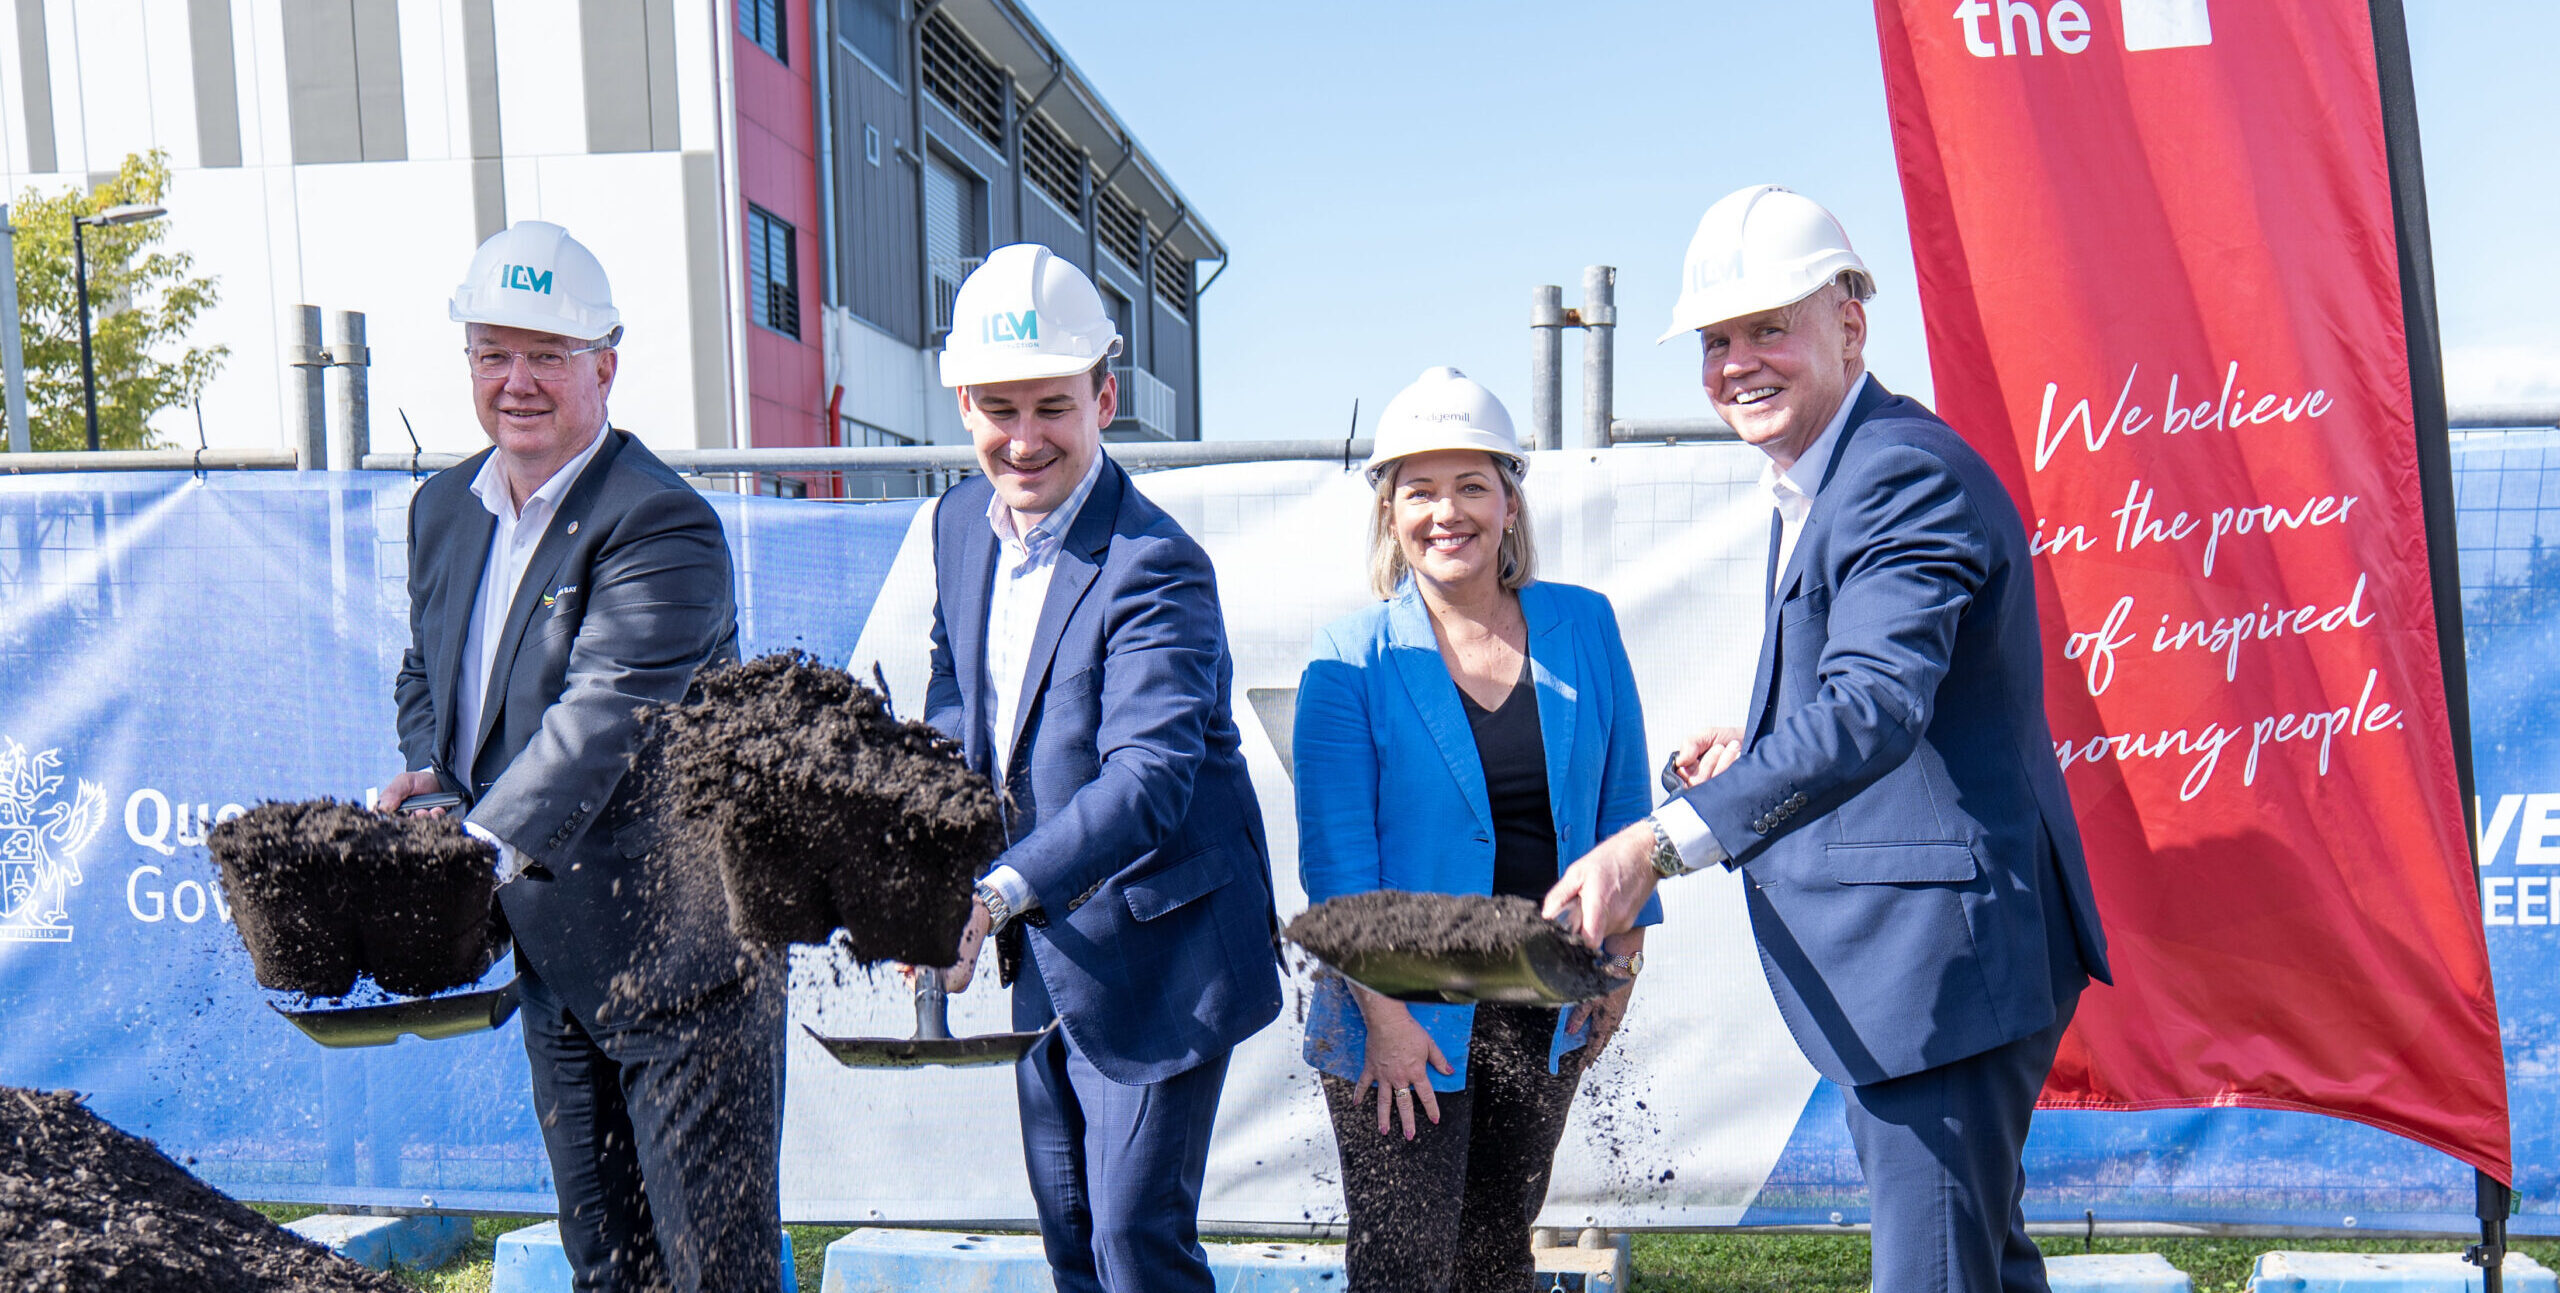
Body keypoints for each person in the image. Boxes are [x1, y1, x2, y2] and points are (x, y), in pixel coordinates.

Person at [1544, 185, 2111, 1293]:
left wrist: (1650, 847)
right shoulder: (1831, 471)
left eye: (1769, 328)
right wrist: (1750, 740)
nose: (1735, 364)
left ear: (1850, 324)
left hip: (1936, 978)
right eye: (1715, 341)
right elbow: (1878, 688)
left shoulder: (1895, 473)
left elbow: (1874, 710)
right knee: (1978, 1264)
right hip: (1928, 972)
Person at [380, 222, 778, 1292]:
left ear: (605, 363)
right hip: (554, 950)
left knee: (710, 1271)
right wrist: (439, 784)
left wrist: (469, 847)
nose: (517, 382)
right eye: (492, 353)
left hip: (683, 962)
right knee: (604, 1262)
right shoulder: (441, 509)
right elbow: (429, 675)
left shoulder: (659, 523)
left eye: (546, 355)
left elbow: (603, 715)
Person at [917, 243, 1282, 1293]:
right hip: (1046, 949)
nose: (1022, 440)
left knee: (1135, 1244)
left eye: (1051, 407)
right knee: (1073, 1240)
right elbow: (961, 710)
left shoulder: (1154, 565)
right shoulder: (956, 528)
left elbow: (1150, 777)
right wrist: (930, 880)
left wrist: (990, 894)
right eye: (998, 409)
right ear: (963, 405)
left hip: (1164, 952)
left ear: (1103, 396)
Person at [1294, 367, 1658, 1292]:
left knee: (1497, 1253)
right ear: (1390, 510)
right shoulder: (1350, 657)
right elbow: (1339, 868)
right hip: (1402, 1008)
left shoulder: (1584, 624)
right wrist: (1385, 1017)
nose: (1444, 512)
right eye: (1419, 489)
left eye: (1469, 486)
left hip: (1545, 996)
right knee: (1406, 1264)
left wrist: (1622, 956)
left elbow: (1623, 809)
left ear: (1508, 500)